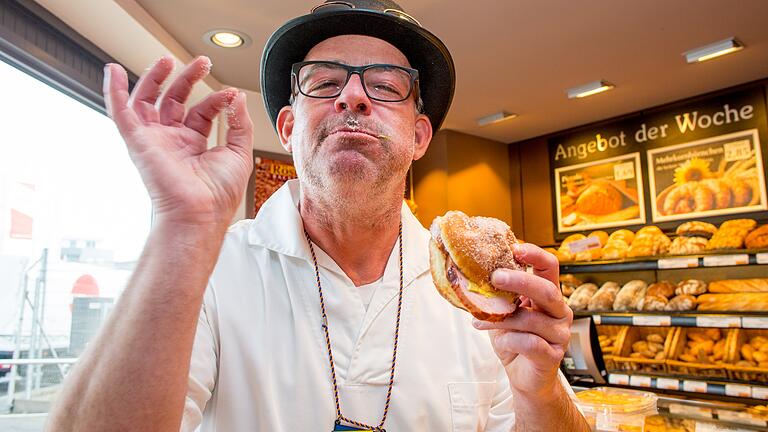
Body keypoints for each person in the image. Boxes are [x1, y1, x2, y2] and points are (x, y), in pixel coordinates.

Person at [47, 1, 589, 431]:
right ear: (287, 128)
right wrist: (180, 230)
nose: (352, 97)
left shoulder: (479, 296)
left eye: (384, 86)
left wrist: (538, 390)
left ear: (419, 136)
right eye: (325, 83)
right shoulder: (210, 270)